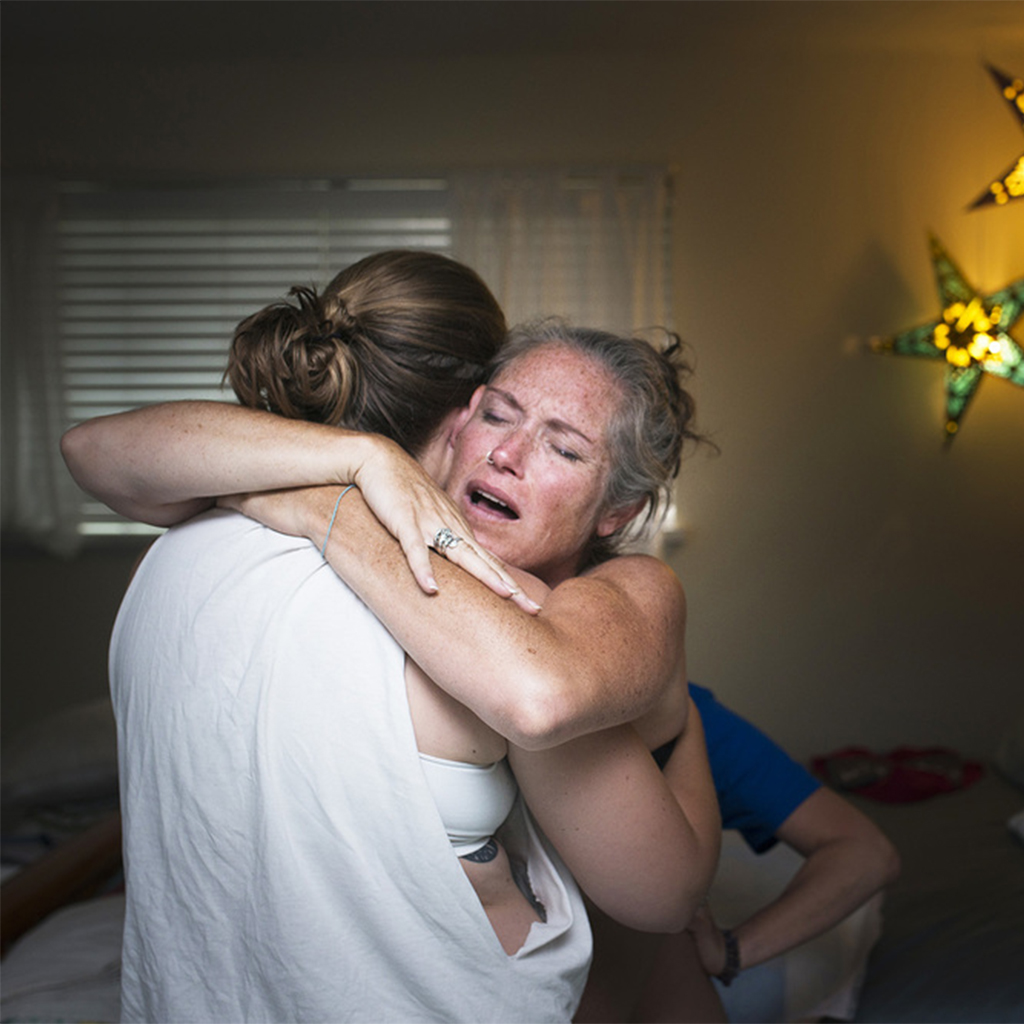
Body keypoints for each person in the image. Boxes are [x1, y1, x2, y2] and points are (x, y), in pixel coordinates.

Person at [62, 252, 720, 1023]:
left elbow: (661, 892)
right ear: (459, 416)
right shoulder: (320, 516)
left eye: (565, 448)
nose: (506, 454)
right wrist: (345, 470)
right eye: (498, 413)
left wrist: (319, 505)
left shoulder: (597, 606)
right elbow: (92, 448)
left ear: (618, 512)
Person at [574, 681, 901, 1023]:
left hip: (649, 948)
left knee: (651, 913)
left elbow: (867, 852)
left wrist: (733, 951)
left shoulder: (683, 717)